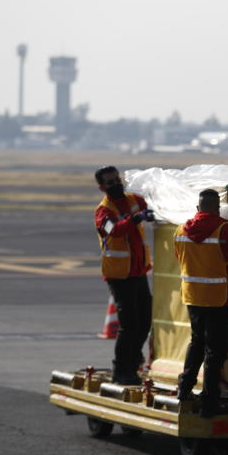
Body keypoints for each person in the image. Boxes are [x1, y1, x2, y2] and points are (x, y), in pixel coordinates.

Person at [174, 189, 228, 417]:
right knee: (216, 351)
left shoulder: (180, 230)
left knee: (196, 343)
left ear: (198, 208)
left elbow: (180, 257)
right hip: (218, 298)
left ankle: (184, 390)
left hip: (193, 296)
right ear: (217, 209)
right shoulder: (225, 230)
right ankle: (210, 402)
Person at [94, 165, 154, 385]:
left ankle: (133, 360)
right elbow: (114, 230)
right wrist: (136, 219)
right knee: (129, 325)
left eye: (116, 179)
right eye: (110, 182)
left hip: (138, 271)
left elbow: (151, 206)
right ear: (102, 187)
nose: (116, 184)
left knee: (145, 321)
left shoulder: (133, 200)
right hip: (119, 276)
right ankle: (121, 370)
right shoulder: (104, 211)